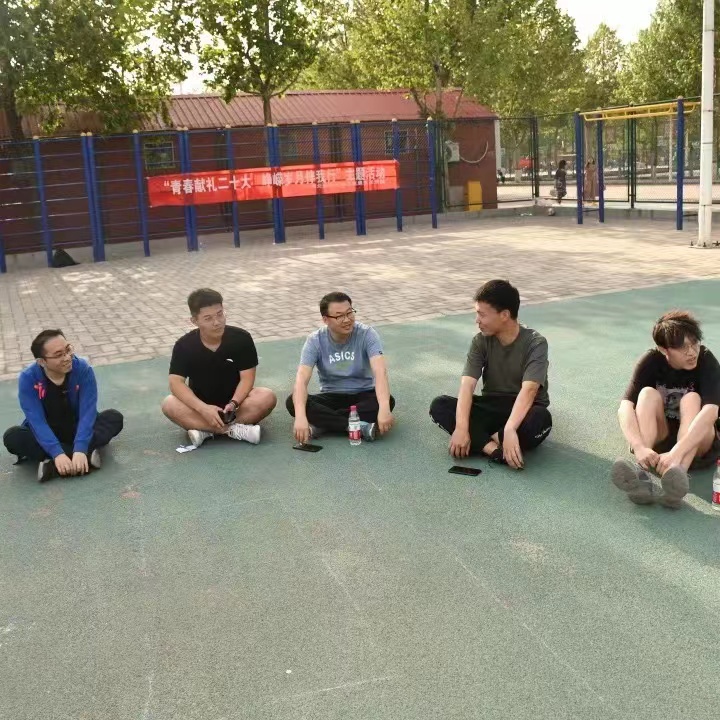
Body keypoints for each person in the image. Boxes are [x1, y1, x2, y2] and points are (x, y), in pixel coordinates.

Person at [429, 280, 552, 469]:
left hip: (524, 409)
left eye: (482, 314)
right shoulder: (480, 341)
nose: (476, 320)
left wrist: (510, 428)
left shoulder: (536, 343)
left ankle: (482, 439)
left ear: (504, 315)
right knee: (440, 405)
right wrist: (461, 427)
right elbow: (467, 386)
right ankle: (494, 450)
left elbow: (530, 390)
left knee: (541, 419)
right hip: (491, 405)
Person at [612, 311, 720, 508]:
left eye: (694, 343)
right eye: (682, 347)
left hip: (696, 445)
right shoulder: (651, 360)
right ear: (664, 350)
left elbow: (711, 411)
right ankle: (641, 472)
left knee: (692, 398)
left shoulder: (706, 360)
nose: (692, 352)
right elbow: (625, 407)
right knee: (647, 394)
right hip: (660, 443)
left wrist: (677, 453)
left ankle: (678, 475)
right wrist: (638, 446)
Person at [3, 329, 123, 482]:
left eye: (68, 350)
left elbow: (88, 412)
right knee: (13, 436)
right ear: (41, 362)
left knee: (114, 417)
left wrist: (80, 446)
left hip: (77, 428)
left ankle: (53, 466)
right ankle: (84, 458)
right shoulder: (28, 378)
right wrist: (57, 452)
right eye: (59, 355)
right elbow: (36, 421)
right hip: (47, 432)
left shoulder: (83, 369)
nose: (67, 357)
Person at [161, 288, 276, 447]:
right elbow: (176, 383)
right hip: (200, 406)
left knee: (267, 396)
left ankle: (205, 431)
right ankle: (234, 430)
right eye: (208, 318)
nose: (217, 322)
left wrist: (234, 403)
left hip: (236, 405)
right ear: (194, 321)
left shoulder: (242, 338)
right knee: (169, 404)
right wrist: (203, 409)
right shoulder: (184, 345)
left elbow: (247, 378)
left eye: (220, 314)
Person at [287, 291, 395, 443]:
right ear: (325, 319)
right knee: (292, 402)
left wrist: (384, 408)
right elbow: (301, 379)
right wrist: (300, 417)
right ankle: (357, 426)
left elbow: (380, 372)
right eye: (339, 316)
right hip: (332, 395)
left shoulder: (367, 334)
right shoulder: (315, 340)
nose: (347, 320)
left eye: (349, 313)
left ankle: (325, 424)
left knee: (387, 401)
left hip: (363, 394)